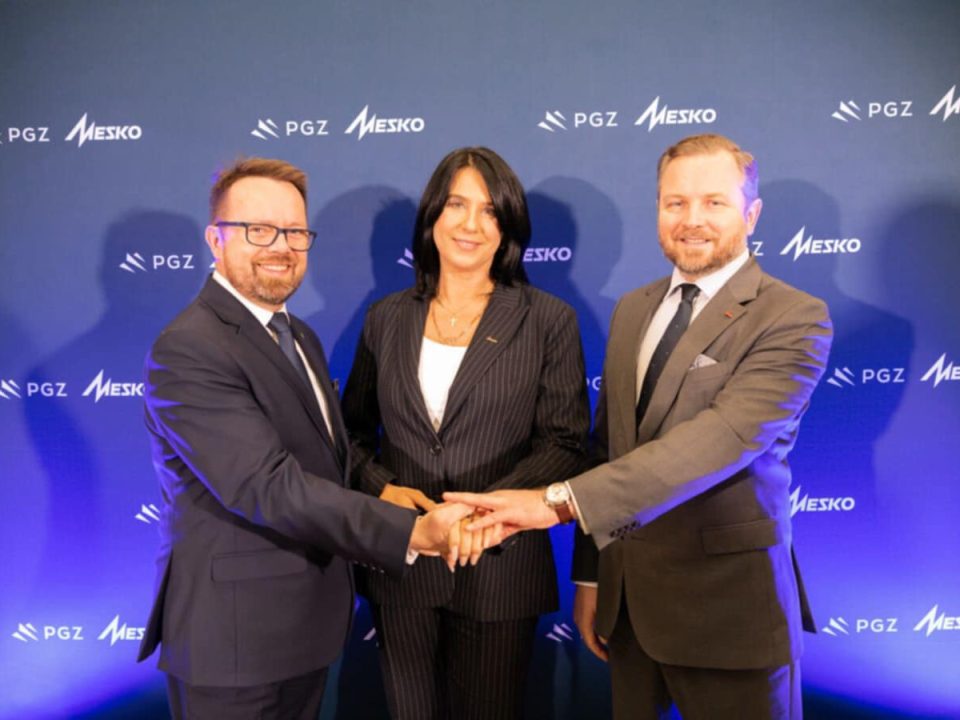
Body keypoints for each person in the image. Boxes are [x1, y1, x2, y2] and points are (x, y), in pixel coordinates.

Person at [448, 134, 833, 719]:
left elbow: (720, 440)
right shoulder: (634, 308)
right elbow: (607, 450)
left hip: (730, 615)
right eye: (675, 202)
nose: (691, 219)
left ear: (751, 214)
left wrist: (556, 503)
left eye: (714, 202)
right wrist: (591, 579)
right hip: (627, 613)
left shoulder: (793, 316)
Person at [137, 157, 472, 720]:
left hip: (302, 630)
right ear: (216, 240)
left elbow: (320, 458)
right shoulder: (189, 347)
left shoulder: (299, 336)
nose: (281, 246)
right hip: (234, 644)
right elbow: (266, 485)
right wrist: (410, 532)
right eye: (258, 229)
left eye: (295, 232)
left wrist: (379, 492)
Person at [342, 146, 590, 720]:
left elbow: (565, 443)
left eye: (490, 210)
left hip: (500, 565)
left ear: (508, 229)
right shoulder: (386, 317)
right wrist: (382, 488)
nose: (471, 224)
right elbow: (349, 434)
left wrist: (481, 512)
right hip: (403, 564)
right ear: (433, 216)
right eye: (457, 204)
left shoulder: (547, 319)